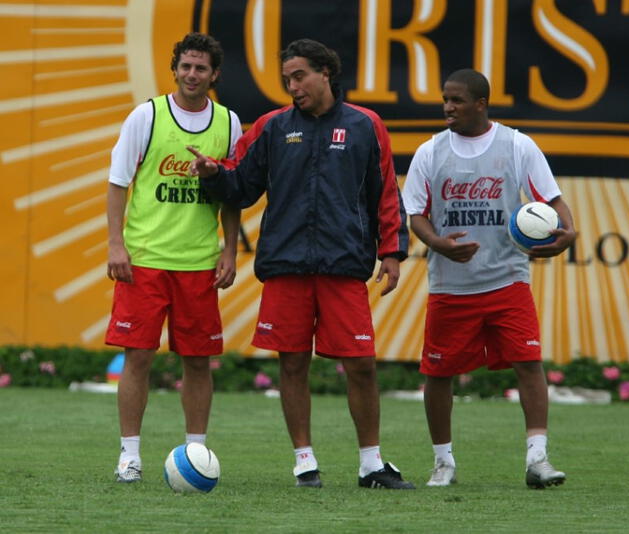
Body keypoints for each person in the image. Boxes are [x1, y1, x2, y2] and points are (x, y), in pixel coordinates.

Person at [188, 39, 414, 489]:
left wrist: (392, 250)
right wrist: (215, 175)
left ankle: (371, 464)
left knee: (362, 364)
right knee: (292, 365)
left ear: (325, 72)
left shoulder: (366, 125)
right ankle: (304, 461)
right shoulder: (273, 126)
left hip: (343, 266)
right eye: (287, 79)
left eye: (299, 77)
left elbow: (384, 192)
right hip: (286, 265)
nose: (293, 87)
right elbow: (242, 186)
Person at [402, 68, 577, 489]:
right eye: (445, 99)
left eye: (457, 100)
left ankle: (538, 460)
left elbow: (551, 199)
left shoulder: (517, 145)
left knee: (528, 363)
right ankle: (443, 462)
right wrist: (438, 243)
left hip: (507, 280)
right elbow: (416, 214)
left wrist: (568, 231)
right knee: (438, 374)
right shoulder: (430, 151)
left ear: (481, 103)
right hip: (451, 285)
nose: (448, 107)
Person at [105, 32, 242, 483]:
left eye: (201, 67)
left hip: (199, 264)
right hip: (144, 260)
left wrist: (229, 250)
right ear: (175, 68)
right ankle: (129, 455)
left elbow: (231, 196)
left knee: (198, 361)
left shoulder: (228, 123)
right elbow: (118, 182)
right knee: (138, 357)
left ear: (214, 74)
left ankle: (196, 452)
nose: (192, 74)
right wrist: (116, 244)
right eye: (185, 66)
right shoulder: (147, 116)